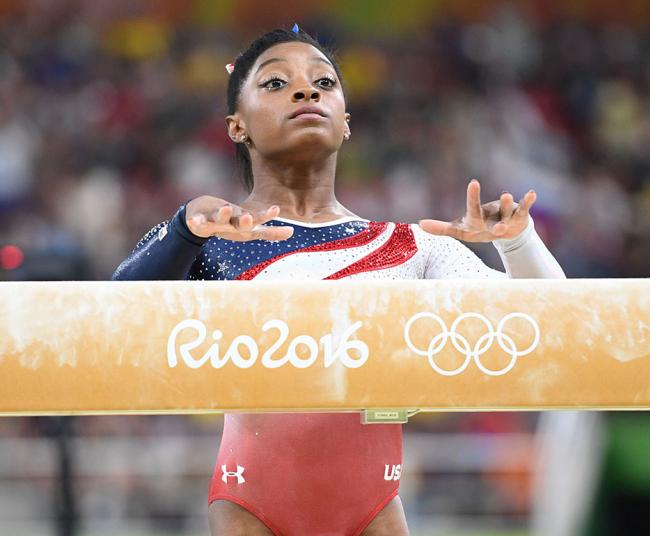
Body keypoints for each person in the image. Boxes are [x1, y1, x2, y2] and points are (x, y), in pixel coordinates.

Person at [113, 27, 565, 535]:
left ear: (346, 120)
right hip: (249, 511)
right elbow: (112, 325)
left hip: (375, 512)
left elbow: (548, 327)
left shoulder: (408, 248)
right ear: (237, 126)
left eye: (324, 82)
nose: (306, 92)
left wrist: (517, 241)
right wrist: (182, 232)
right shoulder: (212, 238)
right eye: (276, 83)